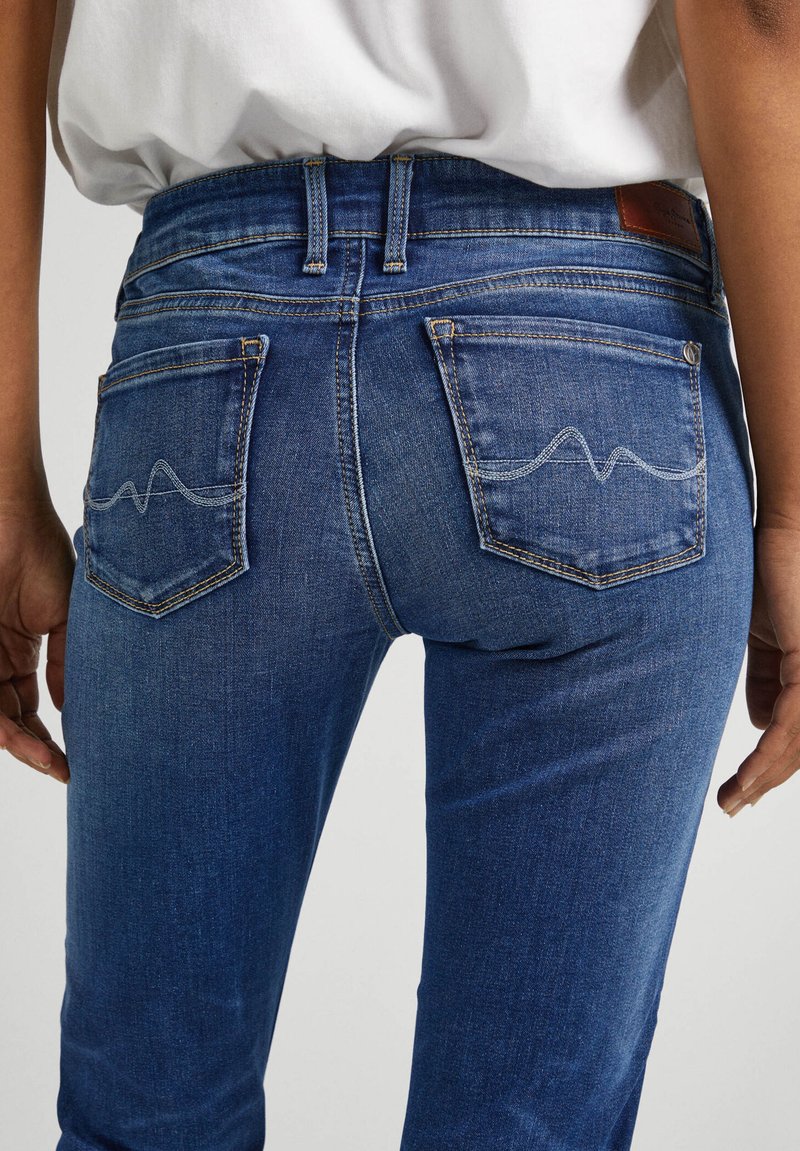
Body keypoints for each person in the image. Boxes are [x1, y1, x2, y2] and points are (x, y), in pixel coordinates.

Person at [1, 0, 797, 1147]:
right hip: (591, 337)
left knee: (148, 1116)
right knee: (527, 1126)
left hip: (213, 326)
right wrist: (795, 511)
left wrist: (2, 489)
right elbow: (756, 16)